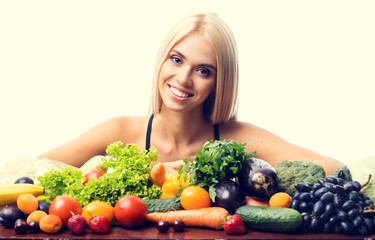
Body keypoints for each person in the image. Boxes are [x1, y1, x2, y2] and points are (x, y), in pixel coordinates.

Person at [38, 13, 345, 176]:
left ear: (219, 82)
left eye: (203, 70)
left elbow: (335, 167)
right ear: (161, 61)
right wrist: (145, 174)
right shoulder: (118, 133)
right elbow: (29, 171)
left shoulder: (238, 139)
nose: (183, 79)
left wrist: (251, 180)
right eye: (176, 59)